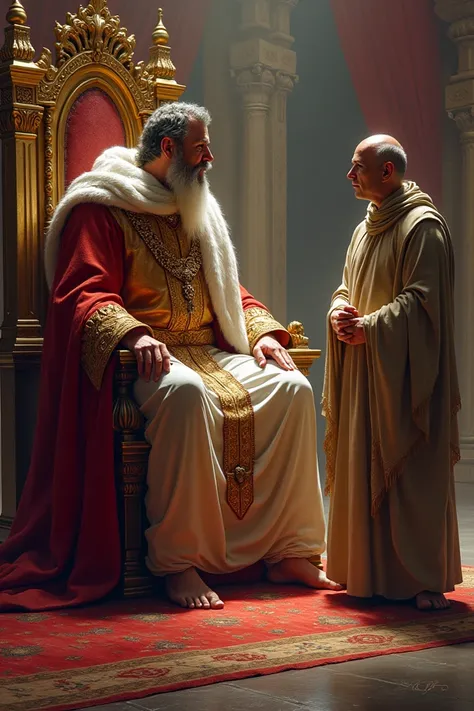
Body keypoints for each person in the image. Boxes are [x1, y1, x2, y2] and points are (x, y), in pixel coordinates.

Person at [0, 102, 340, 611]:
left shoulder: (192, 205)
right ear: (168, 149)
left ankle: (287, 550)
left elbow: (229, 291)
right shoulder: (102, 206)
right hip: (144, 360)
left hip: (208, 350)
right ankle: (180, 562)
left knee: (291, 389)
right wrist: (133, 336)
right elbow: (81, 293)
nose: (210, 158)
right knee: (185, 394)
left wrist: (264, 332)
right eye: (201, 148)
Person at [323, 134, 462, 611]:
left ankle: (421, 579)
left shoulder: (422, 227)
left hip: (405, 378)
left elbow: (424, 305)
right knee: (363, 464)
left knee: (413, 473)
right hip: (367, 371)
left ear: (388, 172)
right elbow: (347, 285)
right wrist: (340, 311)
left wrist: (371, 327)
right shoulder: (365, 228)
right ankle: (365, 572)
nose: (350, 175)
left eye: (358, 166)